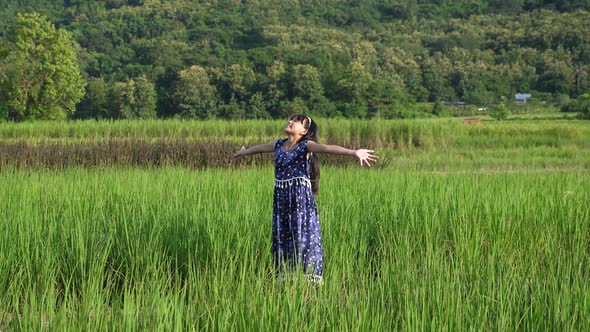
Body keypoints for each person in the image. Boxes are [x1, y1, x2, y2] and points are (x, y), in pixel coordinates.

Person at [232, 115, 379, 284]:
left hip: (300, 203)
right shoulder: (278, 145)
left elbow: (327, 148)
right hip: (281, 202)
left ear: (304, 131)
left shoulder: (305, 146)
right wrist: (244, 152)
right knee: (283, 239)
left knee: (302, 240)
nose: (289, 122)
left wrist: (353, 152)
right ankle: (286, 285)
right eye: (290, 119)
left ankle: (306, 286)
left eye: (295, 122)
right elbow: (259, 148)